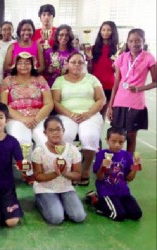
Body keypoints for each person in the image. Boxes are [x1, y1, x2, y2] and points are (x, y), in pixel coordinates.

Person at [51, 52, 106, 186]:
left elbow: (101, 99)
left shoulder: (92, 79)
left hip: (90, 115)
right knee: (65, 136)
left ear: (84, 64)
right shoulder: (59, 80)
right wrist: (70, 114)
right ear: (67, 64)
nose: (77, 65)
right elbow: (55, 102)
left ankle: (85, 169)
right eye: (73, 62)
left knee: (89, 136)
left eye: (80, 62)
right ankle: (69, 170)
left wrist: (88, 114)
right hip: (66, 115)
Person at [108, 28, 156, 153]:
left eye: (138, 41)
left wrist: (139, 88)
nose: (134, 44)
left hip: (135, 103)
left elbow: (155, 82)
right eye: (131, 41)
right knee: (115, 136)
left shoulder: (149, 58)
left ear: (143, 41)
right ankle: (114, 164)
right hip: (119, 102)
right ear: (127, 43)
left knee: (131, 136)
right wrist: (110, 105)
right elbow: (116, 83)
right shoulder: (122, 57)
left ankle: (128, 165)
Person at [32, 116, 86, 225]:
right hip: (45, 189)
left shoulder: (73, 150)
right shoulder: (39, 151)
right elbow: (38, 177)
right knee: (56, 218)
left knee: (79, 216)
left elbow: (77, 175)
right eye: (51, 130)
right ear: (45, 132)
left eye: (58, 129)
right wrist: (55, 174)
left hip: (66, 188)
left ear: (63, 131)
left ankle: (60, 204)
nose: (55, 133)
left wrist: (65, 173)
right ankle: (42, 201)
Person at [86, 127, 142, 221]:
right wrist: (103, 167)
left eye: (121, 142)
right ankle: (95, 200)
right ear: (107, 141)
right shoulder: (101, 154)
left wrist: (136, 167)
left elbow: (129, 178)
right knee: (118, 215)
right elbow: (99, 177)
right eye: (114, 141)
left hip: (123, 192)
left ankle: (116, 204)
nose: (117, 145)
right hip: (107, 192)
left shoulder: (127, 155)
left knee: (136, 214)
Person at [0, 52, 53, 148]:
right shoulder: (8, 81)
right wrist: (23, 119)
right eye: (20, 63)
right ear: (15, 65)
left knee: (45, 141)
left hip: (39, 117)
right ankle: (25, 163)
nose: (23, 66)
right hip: (16, 118)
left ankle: (40, 163)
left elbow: (49, 104)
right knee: (22, 143)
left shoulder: (40, 79)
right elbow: (3, 106)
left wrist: (36, 120)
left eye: (27, 63)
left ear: (33, 65)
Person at [88, 21, 119, 119]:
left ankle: (99, 134)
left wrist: (115, 65)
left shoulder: (117, 51)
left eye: (109, 30)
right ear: (100, 31)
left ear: (113, 32)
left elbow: (117, 71)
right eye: (103, 30)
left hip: (108, 86)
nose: (105, 32)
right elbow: (90, 70)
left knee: (102, 114)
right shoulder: (93, 49)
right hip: (94, 85)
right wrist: (89, 59)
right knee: (90, 113)